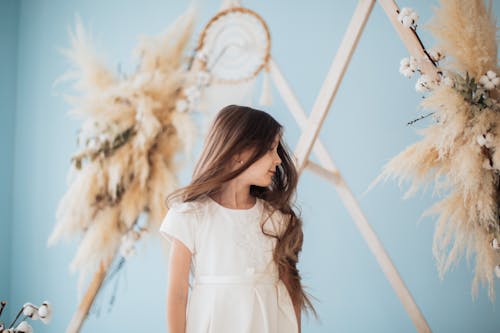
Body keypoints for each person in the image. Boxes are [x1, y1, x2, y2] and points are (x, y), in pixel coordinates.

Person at [159, 104, 317, 333]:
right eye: (271, 149)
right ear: (238, 153)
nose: (278, 160)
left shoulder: (274, 219)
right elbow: (177, 294)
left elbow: (290, 288)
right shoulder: (191, 216)